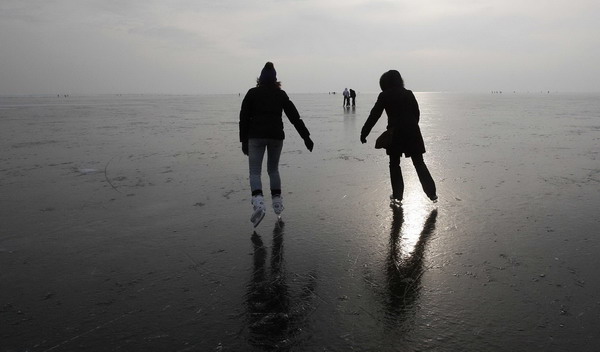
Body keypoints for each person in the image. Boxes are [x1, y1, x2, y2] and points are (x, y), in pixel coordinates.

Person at [240, 62, 314, 227]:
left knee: (255, 172)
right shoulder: (280, 94)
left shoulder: (252, 93)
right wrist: (306, 137)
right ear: (275, 80)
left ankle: (259, 203)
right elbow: (295, 117)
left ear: (260, 78)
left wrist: (243, 141)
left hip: (255, 137)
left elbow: (243, 118)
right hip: (276, 137)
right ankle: (277, 204)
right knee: (273, 170)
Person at [360, 70, 437, 204]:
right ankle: (432, 194)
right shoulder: (408, 94)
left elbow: (375, 115)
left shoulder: (384, 95)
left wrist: (364, 132)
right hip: (412, 132)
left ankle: (397, 196)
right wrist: (412, 126)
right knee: (419, 163)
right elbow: (416, 112)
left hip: (395, 133)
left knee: (394, 164)